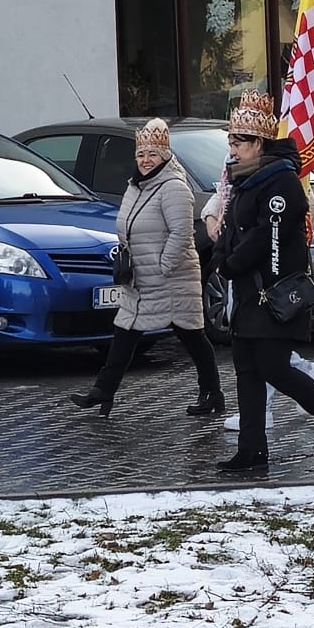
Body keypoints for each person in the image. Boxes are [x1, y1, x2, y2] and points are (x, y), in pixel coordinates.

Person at [210, 92, 314, 470]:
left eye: (239, 142)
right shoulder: (244, 179)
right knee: (247, 368)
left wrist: (232, 265)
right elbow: (231, 227)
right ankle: (251, 449)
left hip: (273, 293)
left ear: (259, 143)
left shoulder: (281, 182)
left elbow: (267, 238)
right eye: (231, 141)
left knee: (274, 367)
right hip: (248, 293)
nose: (232, 149)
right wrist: (219, 259)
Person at [70, 119, 225, 418]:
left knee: (191, 335)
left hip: (172, 279)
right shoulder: (135, 186)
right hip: (140, 278)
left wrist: (163, 266)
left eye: (152, 154)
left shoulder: (173, 188)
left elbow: (181, 233)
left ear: (164, 156)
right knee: (124, 330)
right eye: (141, 154)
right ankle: (103, 392)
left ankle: (212, 392)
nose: (145, 160)